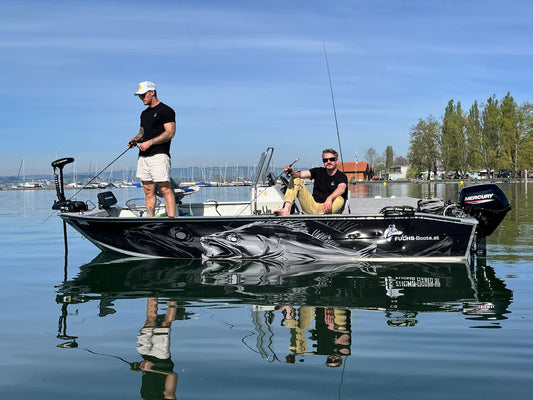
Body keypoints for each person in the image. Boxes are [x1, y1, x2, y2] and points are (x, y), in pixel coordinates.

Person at [129, 81, 176, 217]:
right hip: (143, 156)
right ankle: (150, 220)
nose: (141, 98)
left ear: (152, 92)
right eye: (139, 96)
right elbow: (142, 132)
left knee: (165, 188)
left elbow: (170, 133)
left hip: (159, 155)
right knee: (148, 190)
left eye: (143, 95)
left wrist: (150, 142)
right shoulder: (144, 114)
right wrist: (135, 139)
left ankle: (172, 219)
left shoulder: (166, 110)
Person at [274, 148, 348, 216]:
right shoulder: (318, 171)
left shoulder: (341, 176)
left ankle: (325, 217)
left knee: (339, 199)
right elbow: (301, 174)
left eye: (331, 159)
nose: (328, 162)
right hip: (313, 206)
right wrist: (291, 172)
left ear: (336, 160)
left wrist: (329, 198)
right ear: (323, 162)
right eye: (325, 160)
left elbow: (341, 189)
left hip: (328, 209)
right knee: (295, 179)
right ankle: (287, 209)